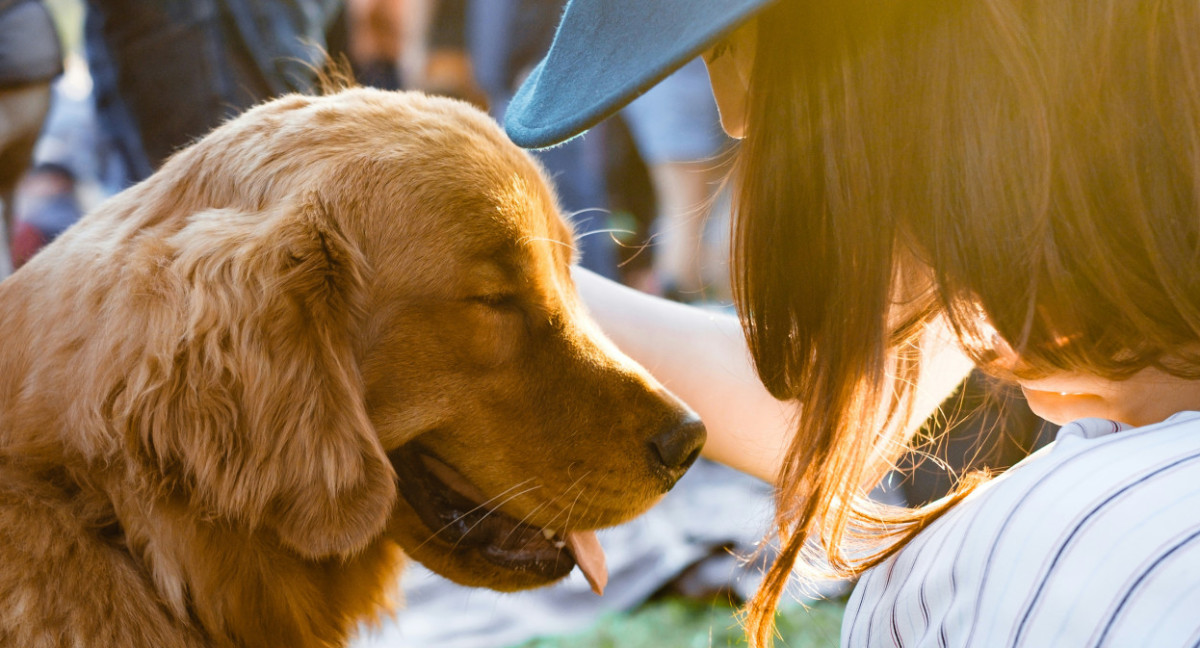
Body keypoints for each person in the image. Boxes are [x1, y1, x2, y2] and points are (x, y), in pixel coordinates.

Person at [503, 0, 1200, 646]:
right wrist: (509, 284)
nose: (733, 117)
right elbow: (824, 401)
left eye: (725, 50)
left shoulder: (1031, 568)